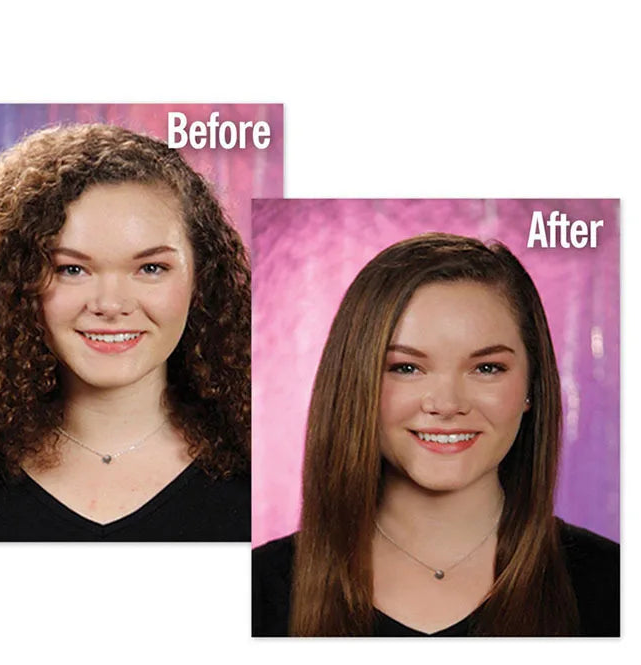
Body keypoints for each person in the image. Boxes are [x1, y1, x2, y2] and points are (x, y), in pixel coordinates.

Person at [252, 233, 619, 636]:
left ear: (532, 387)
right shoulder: (254, 592)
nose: (446, 404)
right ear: (357, 382)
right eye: (407, 368)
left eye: (487, 368)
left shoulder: (614, 585)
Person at [0, 123, 250, 542]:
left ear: (202, 278)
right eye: (72, 269)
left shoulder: (256, 484)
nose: (110, 304)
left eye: (151, 268)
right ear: (17, 283)